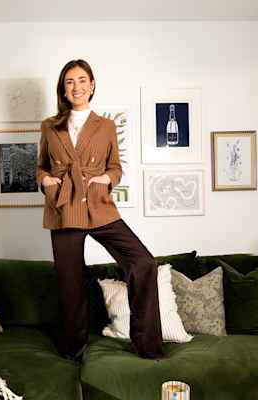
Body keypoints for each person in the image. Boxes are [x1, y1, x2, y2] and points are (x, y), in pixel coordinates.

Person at [36, 59, 164, 360]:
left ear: (92, 85)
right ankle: (73, 353)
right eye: (70, 81)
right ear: (63, 89)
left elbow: (115, 166)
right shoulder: (49, 126)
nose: (76, 86)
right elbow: (41, 165)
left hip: (98, 206)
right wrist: (47, 181)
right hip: (65, 207)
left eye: (82, 80)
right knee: (70, 286)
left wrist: (108, 178)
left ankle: (147, 345)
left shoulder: (105, 126)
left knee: (143, 262)